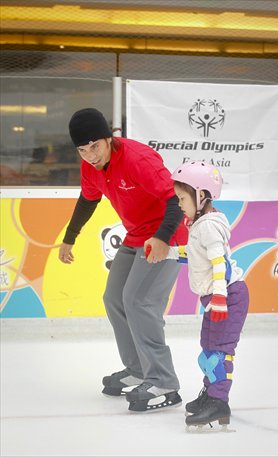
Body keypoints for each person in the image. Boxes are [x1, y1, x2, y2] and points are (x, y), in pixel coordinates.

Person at [59, 108, 188, 412]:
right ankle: (139, 370)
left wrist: (161, 238)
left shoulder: (137, 159)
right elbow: (88, 199)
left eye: (95, 146)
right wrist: (70, 236)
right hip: (135, 237)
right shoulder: (90, 166)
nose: (90, 155)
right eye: (82, 149)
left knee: (139, 301)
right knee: (115, 299)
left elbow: (176, 200)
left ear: (109, 139)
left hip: (167, 236)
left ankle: (164, 381)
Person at [171, 160, 249, 429]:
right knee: (207, 350)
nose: (179, 203)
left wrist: (219, 297)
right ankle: (211, 395)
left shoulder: (207, 226)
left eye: (182, 197)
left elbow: (220, 264)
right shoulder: (200, 223)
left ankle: (218, 401)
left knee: (218, 354)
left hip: (228, 296)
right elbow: (195, 256)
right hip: (219, 297)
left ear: (201, 195)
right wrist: (167, 254)